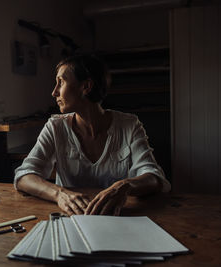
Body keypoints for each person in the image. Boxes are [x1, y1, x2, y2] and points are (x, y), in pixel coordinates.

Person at [14, 54, 171, 216]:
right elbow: (23, 176)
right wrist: (60, 194)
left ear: (86, 86)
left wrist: (125, 186)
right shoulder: (55, 127)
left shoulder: (129, 125)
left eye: (61, 82)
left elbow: (154, 177)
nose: (54, 92)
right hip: (71, 218)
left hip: (118, 218)